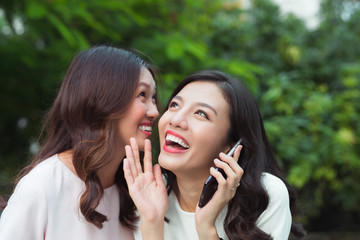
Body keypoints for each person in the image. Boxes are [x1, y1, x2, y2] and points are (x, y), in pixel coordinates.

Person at [123, 70, 306, 240]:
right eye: (175, 105)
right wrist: (152, 221)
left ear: (232, 146)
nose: (176, 120)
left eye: (201, 113)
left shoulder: (265, 196)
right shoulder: (149, 191)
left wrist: (206, 229)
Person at [0, 45, 159, 239]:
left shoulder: (138, 195)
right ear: (105, 99)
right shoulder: (42, 187)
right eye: (142, 95)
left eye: (154, 98)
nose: (154, 112)